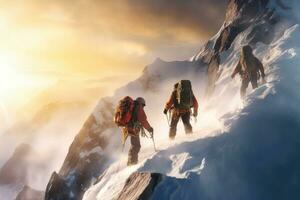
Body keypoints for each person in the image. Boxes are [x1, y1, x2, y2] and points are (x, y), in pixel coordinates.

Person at [121, 97, 153, 166]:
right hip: (133, 129)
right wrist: (149, 128)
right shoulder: (139, 108)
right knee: (136, 145)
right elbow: (143, 120)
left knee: (134, 145)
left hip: (128, 128)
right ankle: (132, 162)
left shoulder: (132, 107)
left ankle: (131, 161)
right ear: (141, 103)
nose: (143, 107)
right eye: (143, 105)